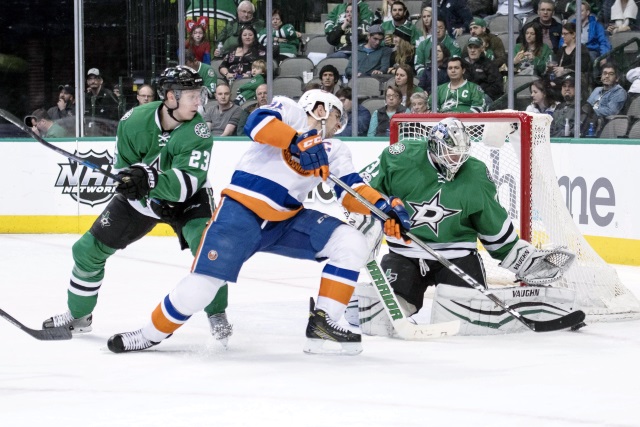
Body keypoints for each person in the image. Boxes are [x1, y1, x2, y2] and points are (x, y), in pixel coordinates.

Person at [105, 89, 412, 355]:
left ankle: (324, 321)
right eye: (336, 120)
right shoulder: (289, 112)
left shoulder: (334, 150)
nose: (338, 128)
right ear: (321, 109)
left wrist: (383, 208)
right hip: (241, 212)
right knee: (203, 287)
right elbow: (256, 124)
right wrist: (296, 140)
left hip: (287, 222)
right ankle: (149, 334)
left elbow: (352, 190)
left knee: (351, 242)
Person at [42, 66, 232, 344]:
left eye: (198, 94)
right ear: (170, 96)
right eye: (191, 95)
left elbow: (185, 186)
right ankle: (79, 314)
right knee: (86, 250)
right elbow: (125, 169)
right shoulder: (133, 121)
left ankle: (217, 312)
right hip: (144, 199)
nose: (198, 102)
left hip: (187, 198)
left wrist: (149, 178)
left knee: (209, 248)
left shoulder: (199, 130)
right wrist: (128, 180)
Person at [356, 117, 572, 330]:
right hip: (406, 254)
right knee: (381, 318)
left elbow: (493, 227)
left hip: (457, 257)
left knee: (466, 319)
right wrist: (370, 224)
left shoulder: (476, 174)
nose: (455, 159)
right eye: (450, 152)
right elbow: (361, 192)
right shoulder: (399, 156)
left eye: (460, 152)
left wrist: (524, 260)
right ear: (434, 147)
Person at [464, 36, 504, 103]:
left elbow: (497, 86)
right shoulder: (462, 64)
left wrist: (479, 93)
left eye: (476, 47)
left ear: (482, 49)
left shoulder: (490, 65)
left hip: (483, 97)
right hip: (464, 96)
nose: (472, 50)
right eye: (470, 47)